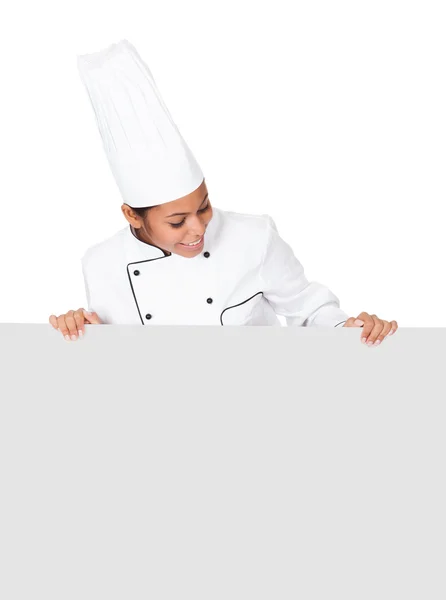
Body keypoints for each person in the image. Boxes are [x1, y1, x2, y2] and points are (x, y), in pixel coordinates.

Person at [48, 40, 398, 346]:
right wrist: (84, 334)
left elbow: (309, 309)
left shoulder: (254, 237)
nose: (198, 228)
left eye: (203, 207)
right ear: (131, 215)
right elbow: (114, 360)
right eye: (176, 221)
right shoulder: (102, 263)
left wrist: (351, 328)